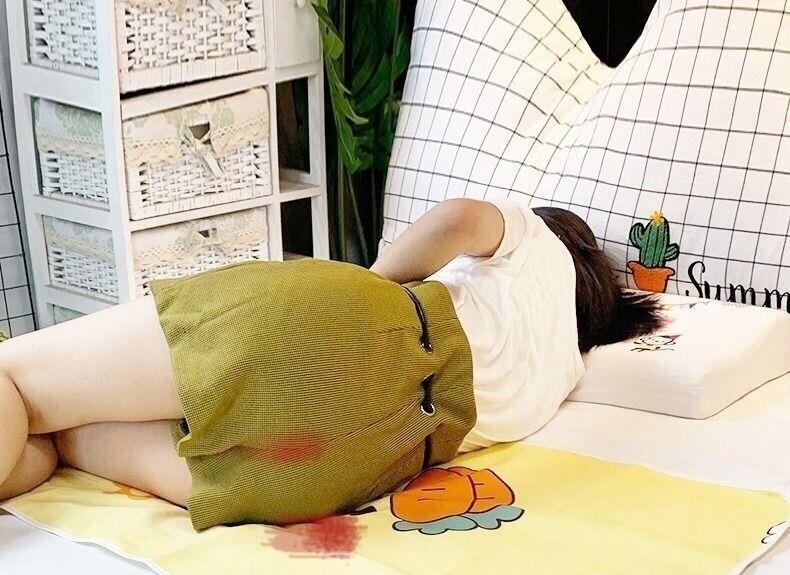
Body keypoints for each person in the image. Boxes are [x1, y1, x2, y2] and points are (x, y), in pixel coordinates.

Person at [0, 199, 663, 530]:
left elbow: (460, 218)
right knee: (59, 439)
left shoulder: (542, 244)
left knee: (17, 380)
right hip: (334, 468)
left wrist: (372, 283)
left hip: (338, 335)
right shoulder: (562, 379)